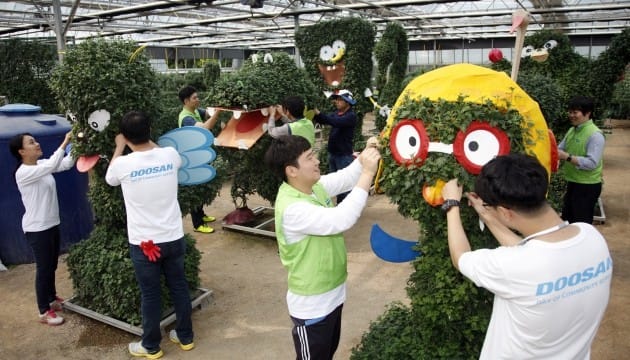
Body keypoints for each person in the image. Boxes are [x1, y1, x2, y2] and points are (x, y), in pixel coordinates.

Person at [441, 153, 611, 359]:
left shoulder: (511, 266)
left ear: (506, 212)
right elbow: (533, 256)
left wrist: (451, 204)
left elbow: (460, 257)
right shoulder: (592, 238)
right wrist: (487, 214)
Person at [264, 134, 380, 360]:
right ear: (292, 170)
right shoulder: (293, 208)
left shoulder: (313, 187)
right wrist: (367, 173)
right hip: (313, 306)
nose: (317, 161)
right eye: (309, 157)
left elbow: (345, 178)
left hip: (332, 296)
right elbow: (341, 219)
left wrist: (365, 155)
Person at [106, 111, 194, 359]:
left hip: (144, 243)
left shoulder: (122, 164)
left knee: (151, 294)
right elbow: (158, 150)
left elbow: (110, 179)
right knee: (179, 286)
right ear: (150, 130)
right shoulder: (170, 155)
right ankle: (185, 337)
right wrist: (142, 139)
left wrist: (119, 146)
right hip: (173, 237)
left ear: (124, 136)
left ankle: (151, 346)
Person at [9, 131, 74, 326]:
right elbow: (55, 163)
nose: (36, 144)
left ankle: (52, 298)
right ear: (21, 151)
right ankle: (43, 310)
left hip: (51, 223)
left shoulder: (40, 165)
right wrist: (65, 142)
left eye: (35, 141)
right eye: (31, 143)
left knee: (52, 264)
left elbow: (65, 164)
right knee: (44, 268)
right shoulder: (24, 172)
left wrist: (77, 148)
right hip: (37, 229)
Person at [178, 85, 220, 233]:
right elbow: (204, 128)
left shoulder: (195, 111)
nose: (198, 100)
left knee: (201, 184)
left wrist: (215, 109)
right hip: (191, 158)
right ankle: (197, 224)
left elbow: (207, 113)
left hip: (199, 155)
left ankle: (202, 214)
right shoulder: (186, 118)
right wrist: (217, 114)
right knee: (195, 188)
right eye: (195, 98)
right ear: (186, 101)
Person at [557, 96, 605, 224]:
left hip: (587, 186)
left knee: (581, 223)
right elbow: (559, 149)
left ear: (588, 113)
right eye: (570, 112)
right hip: (573, 182)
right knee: (568, 219)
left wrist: (567, 157)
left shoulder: (595, 135)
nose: (571, 115)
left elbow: (592, 163)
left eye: (575, 112)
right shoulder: (572, 130)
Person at [313, 89, 358, 203]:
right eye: (336, 99)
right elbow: (325, 119)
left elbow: (334, 122)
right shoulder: (336, 114)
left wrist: (318, 112)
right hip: (333, 154)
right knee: (336, 184)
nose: (336, 102)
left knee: (345, 185)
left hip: (344, 156)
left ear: (347, 102)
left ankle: (345, 207)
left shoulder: (351, 116)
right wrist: (314, 113)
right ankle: (340, 207)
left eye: (340, 99)